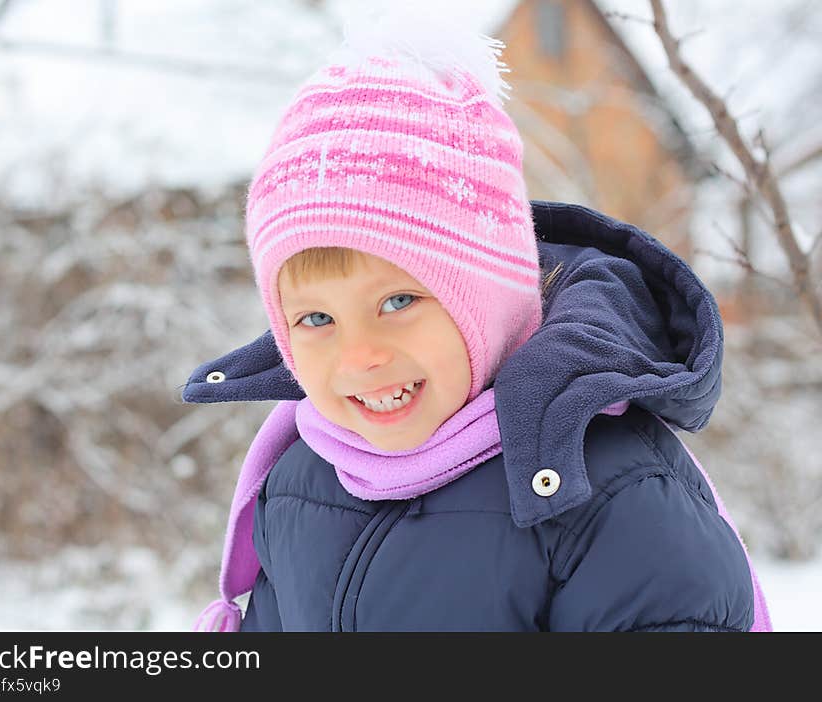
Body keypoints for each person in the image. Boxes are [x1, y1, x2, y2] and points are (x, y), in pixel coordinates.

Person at [181, 7, 773, 632]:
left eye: (398, 302)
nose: (359, 355)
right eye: (317, 318)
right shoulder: (300, 477)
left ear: (487, 301)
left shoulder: (600, 487)